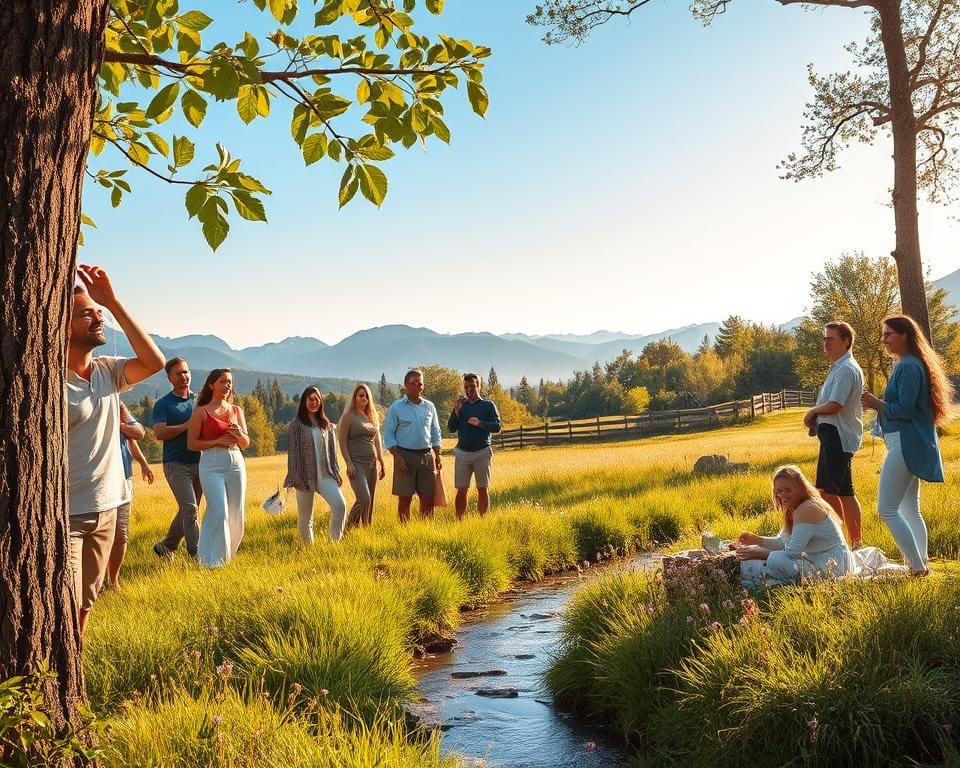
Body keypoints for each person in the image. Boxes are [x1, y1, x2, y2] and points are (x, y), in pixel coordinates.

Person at [67, 265, 164, 633]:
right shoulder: (49, 380)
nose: (98, 318)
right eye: (87, 313)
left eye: (99, 312)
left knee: (84, 607)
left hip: (107, 506)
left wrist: (113, 302)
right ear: (63, 326)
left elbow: (154, 362)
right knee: (63, 604)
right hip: (66, 513)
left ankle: (73, 665)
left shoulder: (108, 370)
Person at [861, 314, 954, 576]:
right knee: (909, 509)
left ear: (904, 336)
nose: (884, 340)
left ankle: (916, 567)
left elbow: (904, 409)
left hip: (905, 443)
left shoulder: (909, 367)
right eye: (883, 334)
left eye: (888, 334)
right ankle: (920, 563)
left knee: (887, 509)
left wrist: (876, 403)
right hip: (907, 442)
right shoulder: (909, 363)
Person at [736, 465, 855, 587]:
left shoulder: (807, 508)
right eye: (779, 491)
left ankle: (778, 581)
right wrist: (757, 540)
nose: (782, 495)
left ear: (801, 489)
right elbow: (783, 542)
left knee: (776, 560)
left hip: (833, 565)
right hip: (817, 559)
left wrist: (758, 553)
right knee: (771, 557)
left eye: (788, 490)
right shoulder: (793, 508)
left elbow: (792, 553)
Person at [802, 321, 865, 548]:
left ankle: (841, 544)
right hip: (837, 435)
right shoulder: (840, 366)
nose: (825, 342)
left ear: (846, 341)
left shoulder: (846, 368)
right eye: (824, 338)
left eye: (831, 338)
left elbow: (835, 404)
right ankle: (854, 543)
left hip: (837, 436)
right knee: (845, 492)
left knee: (827, 491)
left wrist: (813, 411)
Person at [186, 369, 249, 567]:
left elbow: (245, 443)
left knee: (236, 511)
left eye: (230, 382)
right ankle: (210, 560)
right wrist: (217, 440)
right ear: (212, 385)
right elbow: (191, 444)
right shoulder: (201, 412)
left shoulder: (237, 410)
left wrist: (239, 434)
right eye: (223, 381)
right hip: (211, 463)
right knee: (218, 509)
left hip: (236, 461)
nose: (228, 385)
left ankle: (228, 556)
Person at [151, 357, 202, 560]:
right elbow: (159, 433)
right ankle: (197, 555)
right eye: (178, 373)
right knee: (190, 508)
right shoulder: (163, 404)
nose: (183, 376)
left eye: (186, 372)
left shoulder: (199, 400)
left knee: (189, 510)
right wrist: (187, 425)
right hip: (176, 464)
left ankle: (166, 546)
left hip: (201, 462)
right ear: (169, 378)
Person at [284, 387, 348, 543]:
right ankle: (308, 549)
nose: (314, 402)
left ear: (321, 401)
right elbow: (293, 455)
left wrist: (336, 473)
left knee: (340, 506)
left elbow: (333, 453)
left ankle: (334, 543)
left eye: (317, 399)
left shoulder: (327, 425)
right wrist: (295, 478)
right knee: (305, 518)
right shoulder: (296, 425)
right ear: (304, 401)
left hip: (326, 475)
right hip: (304, 477)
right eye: (310, 399)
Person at [383, 369, 443, 523]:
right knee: (405, 499)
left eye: (420, 384)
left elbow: (435, 431)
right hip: (404, 457)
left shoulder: (429, 406)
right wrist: (397, 457)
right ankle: (405, 531)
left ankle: (426, 530)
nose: (418, 387)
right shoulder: (396, 407)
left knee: (428, 498)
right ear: (405, 385)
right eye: (414, 383)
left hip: (427, 457)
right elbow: (389, 434)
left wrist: (438, 454)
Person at [106, 402, 155, 590]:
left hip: (123, 480)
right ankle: (93, 583)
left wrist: (143, 462)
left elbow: (137, 433)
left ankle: (113, 581)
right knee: (97, 535)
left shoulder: (117, 403)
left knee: (121, 535)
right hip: (95, 481)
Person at [447, 372, 501, 520]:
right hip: (462, 454)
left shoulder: (488, 405)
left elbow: (497, 426)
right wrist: (456, 411)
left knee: (482, 489)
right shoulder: (460, 406)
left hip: (482, 452)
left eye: (472, 386)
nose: (469, 389)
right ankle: (459, 521)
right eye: (466, 387)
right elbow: (451, 428)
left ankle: (482, 521)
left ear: (479, 386)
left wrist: (480, 423)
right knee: (461, 490)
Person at [338, 384, 386, 528]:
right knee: (364, 497)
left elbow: (377, 441)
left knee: (370, 499)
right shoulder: (348, 417)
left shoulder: (371, 417)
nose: (363, 398)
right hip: (356, 464)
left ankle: (366, 528)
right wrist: (348, 463)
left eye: (366, 395)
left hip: (371, 464)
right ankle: (350, 526)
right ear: (355, 398)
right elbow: (342, 441)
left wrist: (381, 461)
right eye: (360, 395)